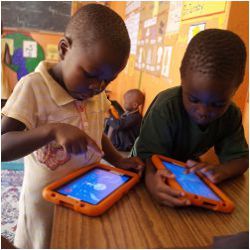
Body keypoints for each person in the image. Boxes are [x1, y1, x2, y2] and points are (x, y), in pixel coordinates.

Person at [1, 4, 143, 249]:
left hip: (86, 193)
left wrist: (117, 161)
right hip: (45, 206)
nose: (97, 87)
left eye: (108, 80)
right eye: (90, 75)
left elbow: (95, 131)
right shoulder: (33, 87)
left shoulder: (95, 93)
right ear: (64, 49)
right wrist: (52, 130)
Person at [132, 29, 248, 207]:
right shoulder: (166, 107)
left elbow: (241, 160)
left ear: (237, 87)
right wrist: (151, 181)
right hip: (143, 164)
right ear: (182, 77)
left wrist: (222, 171)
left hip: (182, 170)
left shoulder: (231, 115)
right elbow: (149, 157)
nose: (203, 111)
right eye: (193, 99)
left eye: (217, 104)